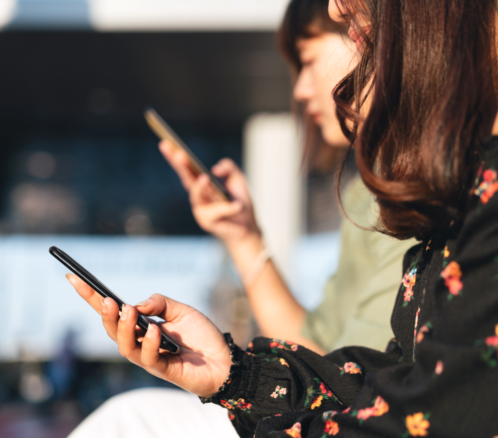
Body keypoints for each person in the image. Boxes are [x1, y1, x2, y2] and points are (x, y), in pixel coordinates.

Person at [66, 1, 422, 437]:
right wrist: (242, 239)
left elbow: (343, 375)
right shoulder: (369, 186)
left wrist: (235, 375)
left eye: (309, 61)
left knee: (131, 421)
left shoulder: (406, 185)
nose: (302, 91)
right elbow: (320, 357)